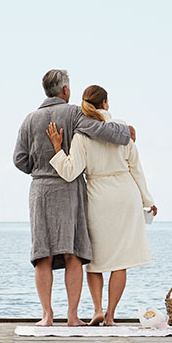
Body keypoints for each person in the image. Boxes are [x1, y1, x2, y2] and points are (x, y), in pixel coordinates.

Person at [14, 69, 136, 326]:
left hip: (40, 190)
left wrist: (39, 169)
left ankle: (47, 315)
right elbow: (101, 130)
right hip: (69, 189)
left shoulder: (29, 120)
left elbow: (19, 159)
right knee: (73, 254)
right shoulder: (73, 113)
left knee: (43, 254)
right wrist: (125, 131)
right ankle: (72, 316)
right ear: (66, 91)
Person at [45, 84, 156, 326]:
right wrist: (147, 199)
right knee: (121, 259)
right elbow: (136, 167)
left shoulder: (81, 135)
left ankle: (97, 309)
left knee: (94, 259)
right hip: (125, 194)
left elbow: (70, 171)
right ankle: (110, 316)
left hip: (97, 196)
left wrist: (56, 148)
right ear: (105, 103)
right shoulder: (122, 130)